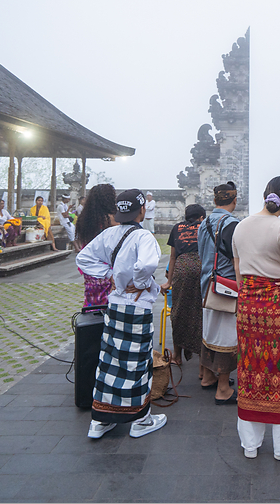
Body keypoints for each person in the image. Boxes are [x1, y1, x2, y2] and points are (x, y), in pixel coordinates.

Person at [76, 188, 167, 440]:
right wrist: (138, 282)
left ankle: (100, 420)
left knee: (110, 359)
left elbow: (83, 259)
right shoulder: (144, 237)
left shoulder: (108, 234)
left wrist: (110, 275)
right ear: (141, 211)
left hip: (114, 305)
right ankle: (141, 419)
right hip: (136, 307)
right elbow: (147, 265)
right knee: (136, 362)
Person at [232, 175, 280, 461]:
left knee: (250, 368)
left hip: (249, 304)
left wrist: (248, 294)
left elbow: (238, 270)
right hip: (278, 304)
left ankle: (250, 444)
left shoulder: (241, 226)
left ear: (266, 194)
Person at [197, 182, 240, 404]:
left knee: (209, 331)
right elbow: (237, 261)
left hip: (206, 286)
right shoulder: (231, 224)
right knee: (226, 336)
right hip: (225, 288)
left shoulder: (204, 223)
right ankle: (223, 388)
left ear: (215, 201)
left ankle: (207, 375)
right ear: (234, 200)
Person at [160, 204, 206, 363]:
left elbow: (172, 257)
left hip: (182, 269)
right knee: (201, 313)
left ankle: (177, 356)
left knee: (178, 311)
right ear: (201, 217)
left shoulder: (177, 228)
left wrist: (168, 282)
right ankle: (203, 363)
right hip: (201, 269)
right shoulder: (204, 226)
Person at [75, 184, 118, 309]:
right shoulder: (111, 219)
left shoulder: (85, 218)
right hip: (107, 267)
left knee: (92, 299)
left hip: (90, 266)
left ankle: (90, 321)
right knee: (108, 302)